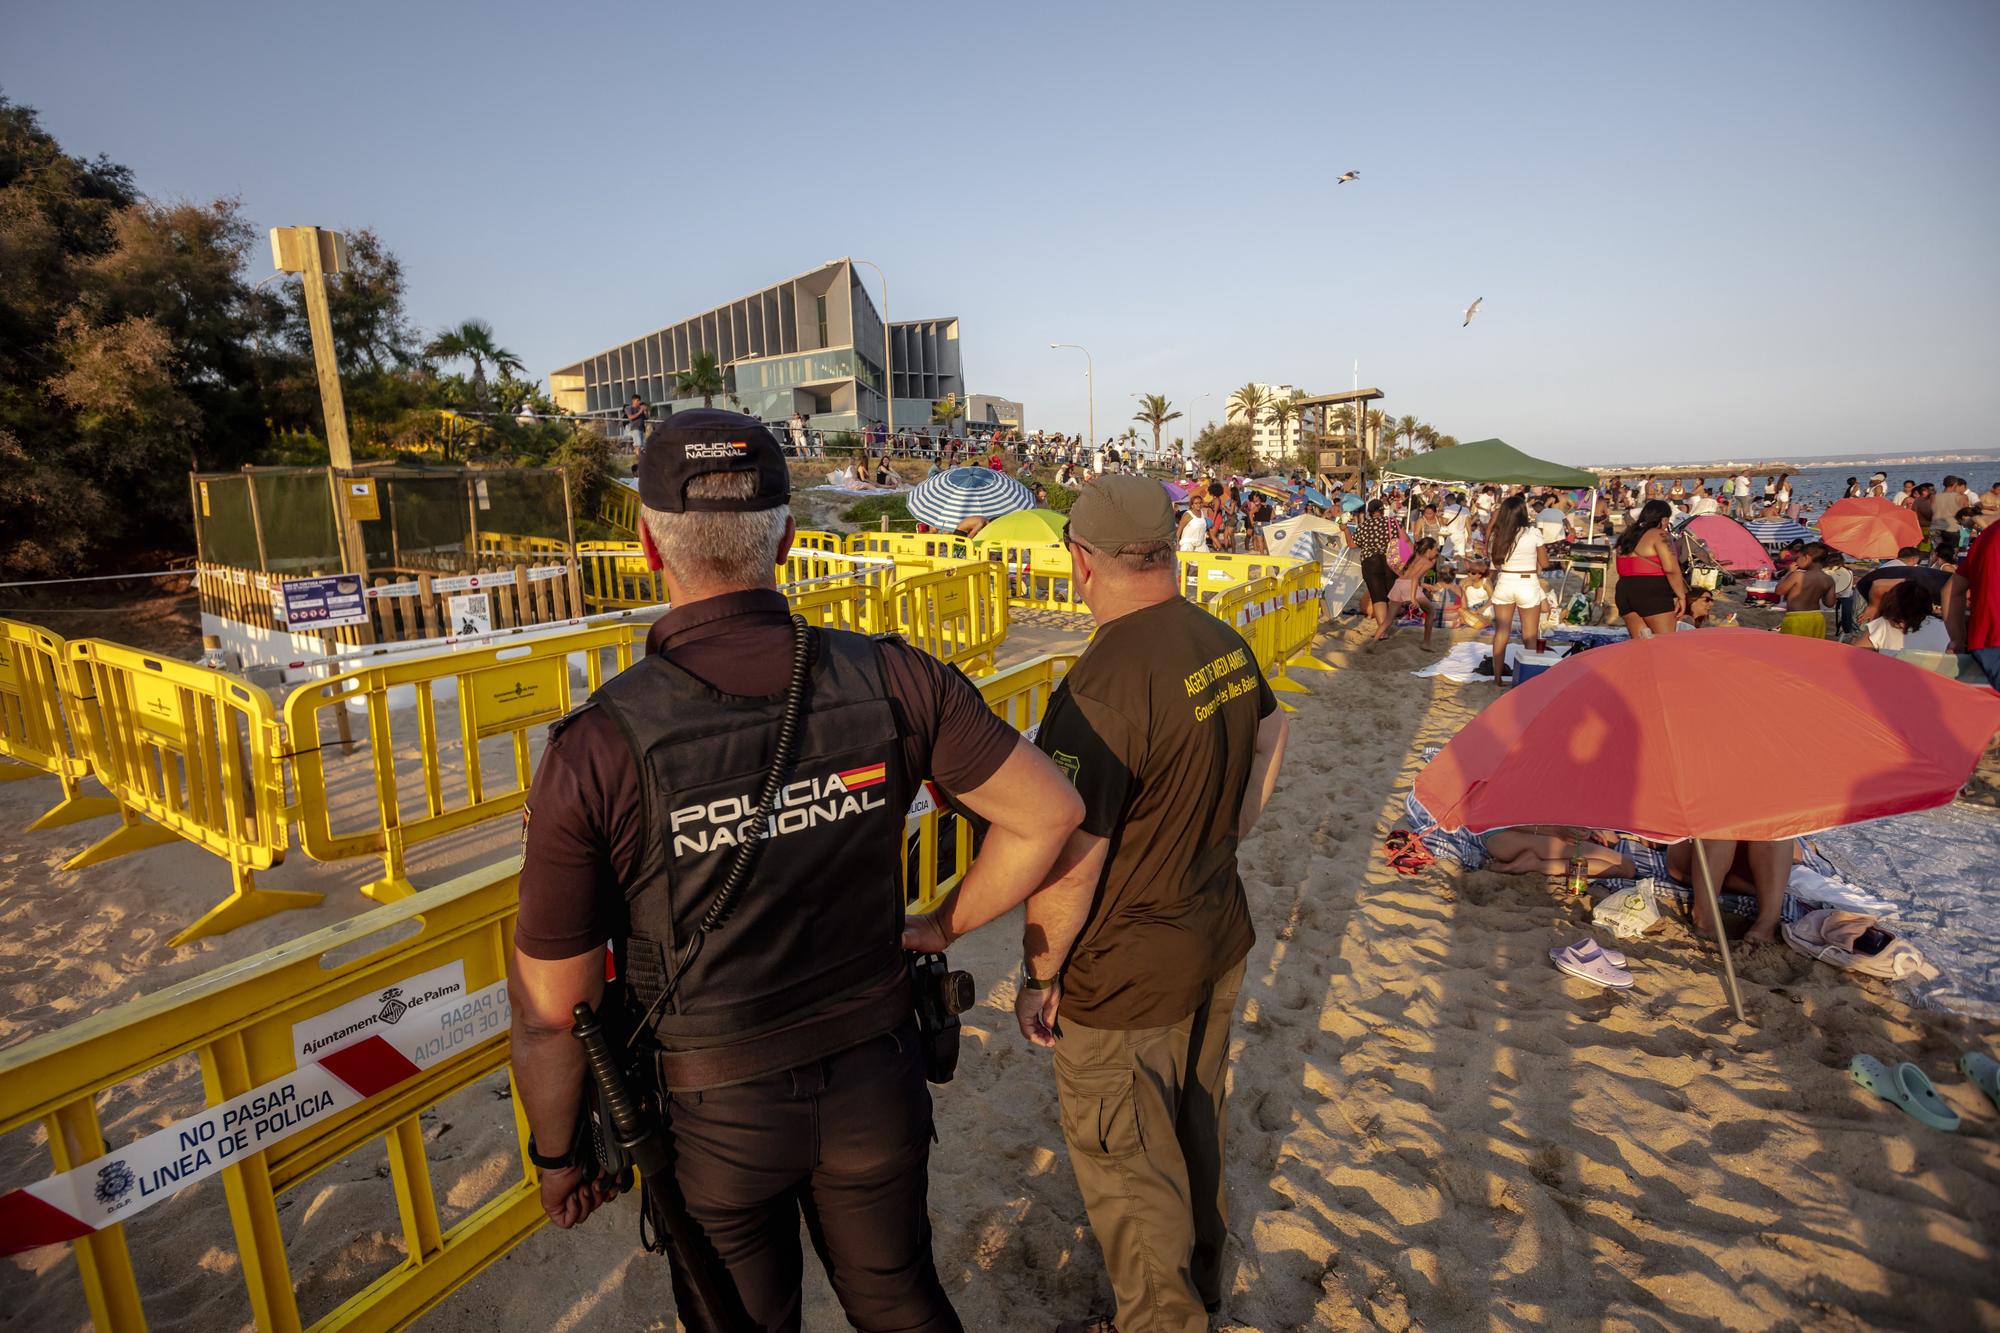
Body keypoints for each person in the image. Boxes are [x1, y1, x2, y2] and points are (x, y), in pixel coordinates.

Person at [510, 409, 1084, 1330]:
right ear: (783, 537)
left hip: (712, 1114)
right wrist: (942, 924)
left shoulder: (597, 749)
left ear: (651, 545)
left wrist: (557, 1155)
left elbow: (550, 1017)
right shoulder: (894, 678)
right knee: (900, 1300)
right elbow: (1049, 812)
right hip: (873, 1075)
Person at [1012, 476, 1288, 1333]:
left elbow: (1070, 859)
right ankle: (1196, 1289)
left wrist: (1037, 971)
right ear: (1167, 549)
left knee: (1130, 1165)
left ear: (1081, 560)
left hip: (1128, 971)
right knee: (1191, 1128)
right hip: (1213, 929)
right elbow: (1276, 730)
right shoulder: (1221, 639)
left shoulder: (1101, 683)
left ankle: (1164, 1318)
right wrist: (1224, 830)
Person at [1486, 494, 1546, 685]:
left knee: (1502, 631)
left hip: (1505, 582)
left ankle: (1497, 678)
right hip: (1527, 582)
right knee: (1529, 635)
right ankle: (1530, 680)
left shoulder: (1499, 534)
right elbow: (1544, 562)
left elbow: (1495, 563)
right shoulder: (1533, 533)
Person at [1612, 499, 1686, 639]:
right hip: (1651, 592)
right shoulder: (1659, 534)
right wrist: (1681, 596)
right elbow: (1671, 569)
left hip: (1624, 591)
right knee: (1664, 645)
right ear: (1664, 519)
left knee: (1641, 646)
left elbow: (1621, 568)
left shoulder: (1627, 535)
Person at [1856, 578, 1952, 654]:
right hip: (1931, 677)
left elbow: (1856, 654)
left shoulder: (1884, 624)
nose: (1902, 626)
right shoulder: (1946, 628)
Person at [1348, 498, 1398, 642]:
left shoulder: (1364, 526)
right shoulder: (1392, 523)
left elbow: (1352, 545)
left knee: (1378, 597)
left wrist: (1345, 530)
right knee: (1390, 595)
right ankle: (1387, 625)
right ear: (1382, 510)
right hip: (1389, 561)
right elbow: (1402, 540)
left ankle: (1382, 630)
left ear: (1369, 513)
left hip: (1370, 562)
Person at [1381, 536, 1441, 648]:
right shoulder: (1427, 562)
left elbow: (1409, 576)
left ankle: (1373, 642)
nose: (1437, 551)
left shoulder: (1414, 557)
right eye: (1435, 549)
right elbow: (1414, 579)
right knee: (1431, 611)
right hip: (1411, 587)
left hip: (1399, 584)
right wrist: (1413, 597)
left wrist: (1423, 585)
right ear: (1429, 550)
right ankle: (1426, 643)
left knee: (1389, 618)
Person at [1774, 543, 1834, 637]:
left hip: (1796, 618)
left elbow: (1779, 591)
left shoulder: (1797, 576)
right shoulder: (1828, 579)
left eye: (1798, 558)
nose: (1796, 561)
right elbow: (1829, 603)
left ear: (1806, 557)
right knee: (1813, 648)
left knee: (1793, 648)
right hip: (1817, 618)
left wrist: (1788, 573)